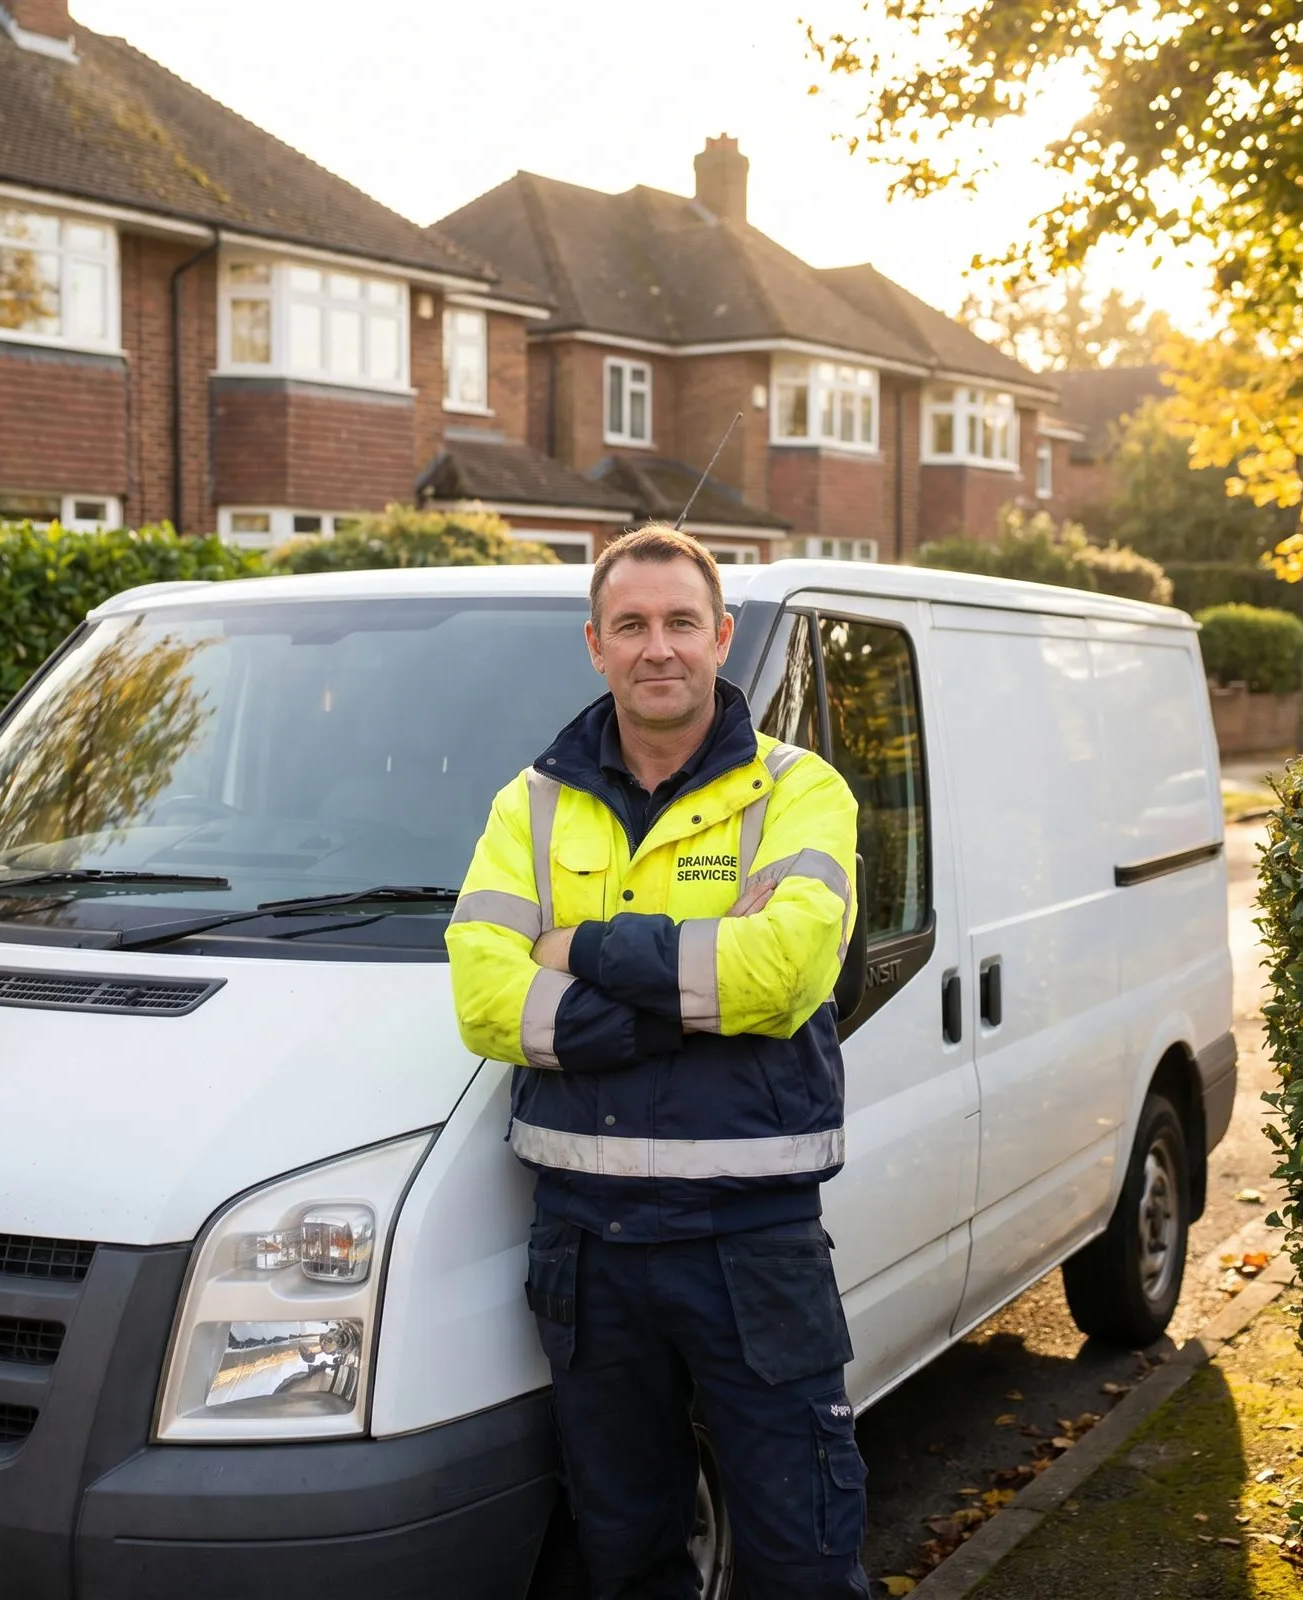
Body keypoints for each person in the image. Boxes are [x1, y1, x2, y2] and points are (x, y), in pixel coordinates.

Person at [446, 525, 870, 1599]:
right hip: (587, 1251)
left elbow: (782, 972)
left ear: (721, 636)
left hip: (751, 1240)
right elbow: (483, 995)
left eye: (681, 621)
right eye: (630, 625)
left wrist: (577, 949)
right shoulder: (529, 804)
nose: (658, 647)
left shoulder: (799, 791)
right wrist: (685, 999)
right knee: (624, 1556)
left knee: (803, 1558)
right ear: (594, 645)